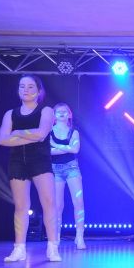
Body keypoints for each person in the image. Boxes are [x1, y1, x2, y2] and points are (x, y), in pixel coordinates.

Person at [0, 75, 61, 262]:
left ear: (39, 91)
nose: (25, 89)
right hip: (17, 161)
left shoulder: (46, 111)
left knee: (49, 202)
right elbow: (2, 139)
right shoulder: (10, 114)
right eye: (22, 86)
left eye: (30, 86)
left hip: (40, 160)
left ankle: (52, 247)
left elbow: (41, 134)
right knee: (20, 206)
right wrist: (29, 136)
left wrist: (17, 133)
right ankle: (19, 248)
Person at [50, 103, 86, 250]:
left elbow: (75, 149)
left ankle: (79, 236)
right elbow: (48, 151)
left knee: (79, 202)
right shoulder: (49, 131)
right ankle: (56, 237)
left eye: (64, 111)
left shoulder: (74, 132)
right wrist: (66, 148)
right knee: (57, 205)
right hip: (54, 169)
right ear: (54, 114)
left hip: (72, 168)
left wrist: (55, 144)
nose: (61, 113)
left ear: (69, 114)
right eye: (58, 111)